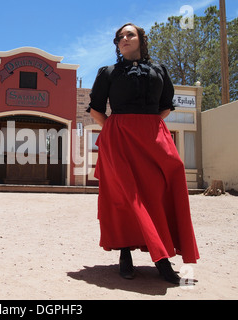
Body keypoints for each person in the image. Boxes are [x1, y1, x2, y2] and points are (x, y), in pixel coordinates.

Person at [87, 23, 200, 284]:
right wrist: (118, 130)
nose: (123, 39)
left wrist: (148, 127)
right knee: (125, 196)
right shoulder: (109, 72)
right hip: (119, 140)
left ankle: (162, 252)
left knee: (161, 188)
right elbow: (95, 110)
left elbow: (166, 107)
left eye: (129, 34)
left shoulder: (159, 70)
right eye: (119, 37)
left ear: (141, 39)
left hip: (152, 138)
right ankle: (128, 255)